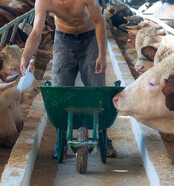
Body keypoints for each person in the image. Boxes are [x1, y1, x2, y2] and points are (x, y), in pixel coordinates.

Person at [20, 0, 117, 159]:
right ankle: (62, 140)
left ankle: (102, 138)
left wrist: (101, 54)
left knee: (96, 89)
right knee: (60, 91)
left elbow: (99, 20)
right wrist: (25, 57)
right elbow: (37, 32)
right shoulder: (43, 2)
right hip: (63, 41)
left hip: (90, 39)